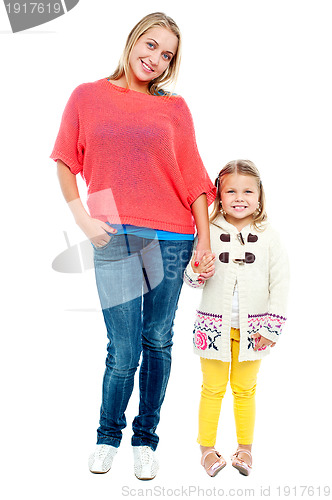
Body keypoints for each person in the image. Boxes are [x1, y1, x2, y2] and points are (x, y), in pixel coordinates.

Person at [50, 12, 216, 480]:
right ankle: (107, 437)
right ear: (131, 41)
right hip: (114, 236)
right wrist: (84, 219)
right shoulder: (87, 96)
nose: (156, 59)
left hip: (173, 237)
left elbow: (196, 177)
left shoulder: (173, 108)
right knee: (123, 349)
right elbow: (65, 158)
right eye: (150, 45)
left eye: (167, 55)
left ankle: (145, 438)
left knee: (157, 340)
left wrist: (204, 239)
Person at [184, 159, 289, 477]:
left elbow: (280, 282)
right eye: (230, 191)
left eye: (247, 191)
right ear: (218, 194)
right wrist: (197, 271)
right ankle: (206, 450)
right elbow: (190, 279)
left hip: (255, 329)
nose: (239, 197)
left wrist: (272, 328)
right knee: (212, 388)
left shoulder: (268, 236)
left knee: (245, 389)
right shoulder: (209, 232)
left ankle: (245, 449)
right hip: (213, 327)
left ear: (259, 196)